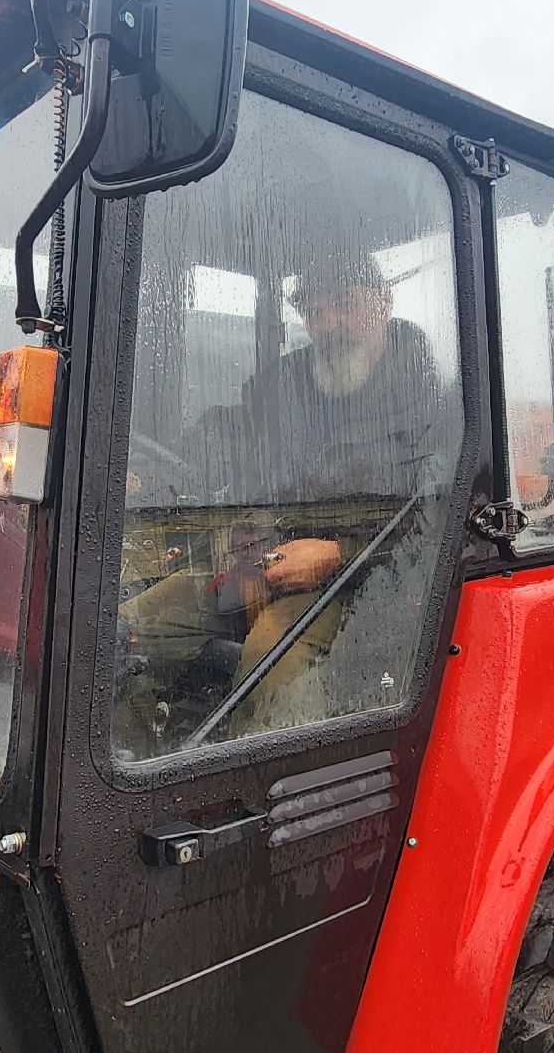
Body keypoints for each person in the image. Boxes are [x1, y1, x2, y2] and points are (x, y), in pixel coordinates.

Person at [117, 252, 450, 750]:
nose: (327, 324)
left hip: (369, 581)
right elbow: (230, 438)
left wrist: (338, 556)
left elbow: (436, 523)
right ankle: (138, 759)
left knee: (274, 654)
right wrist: (153, 470)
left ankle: (243, 790)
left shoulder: (433, 400)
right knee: (130, 626)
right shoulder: (289, 385)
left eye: (342, 304)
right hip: (266, 558)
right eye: (314, 312)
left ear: (382, 302)